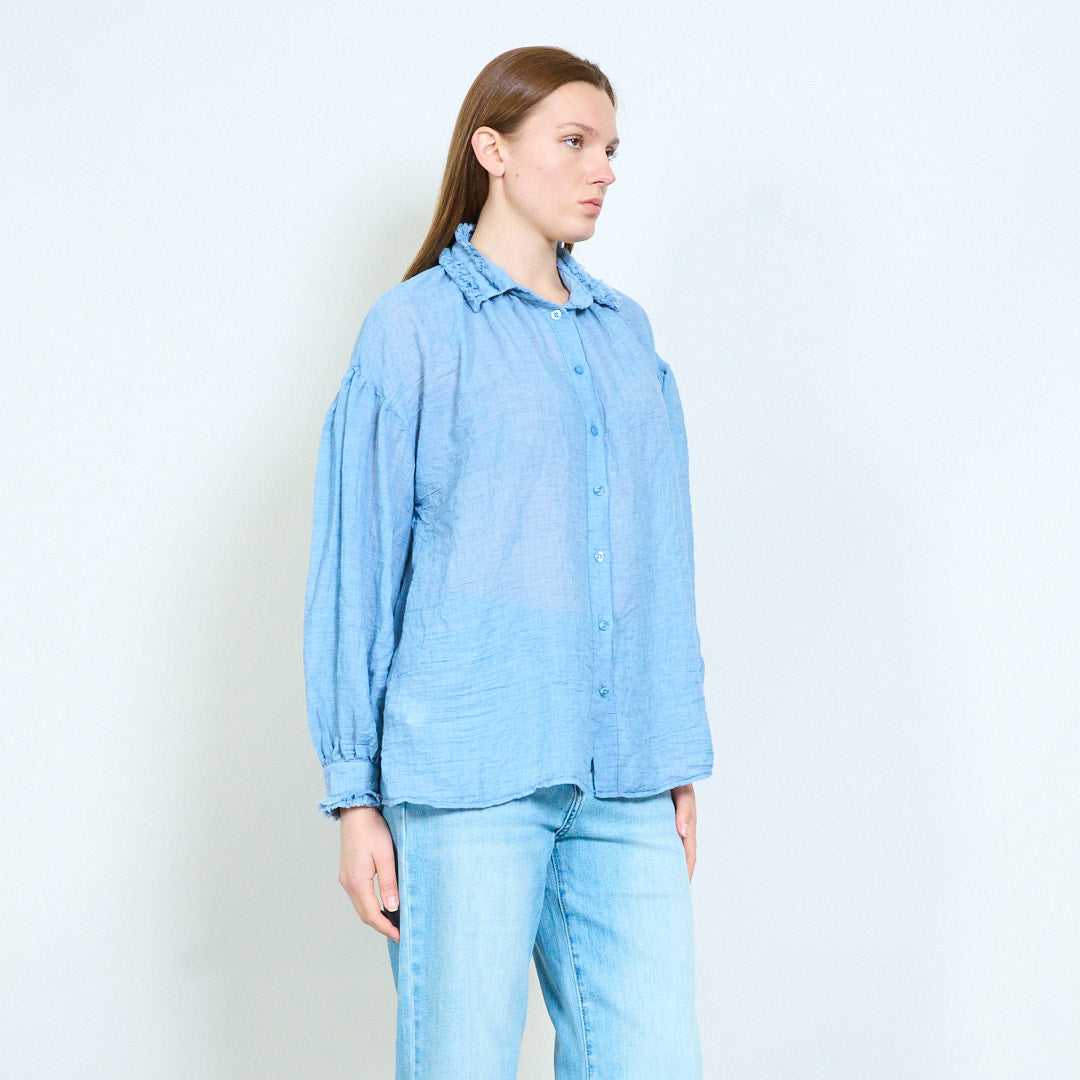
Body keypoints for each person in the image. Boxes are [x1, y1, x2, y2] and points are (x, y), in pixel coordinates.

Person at [304, 45, 714, 1080]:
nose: (603, 170)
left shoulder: (626, 337)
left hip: (622, 778)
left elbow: (660, 562)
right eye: (574, 142)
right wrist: (355, 797)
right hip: (466, 781)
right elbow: (356, 574)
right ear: (493, 150)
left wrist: (670, 754)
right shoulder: (412, 332)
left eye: (610, 148)